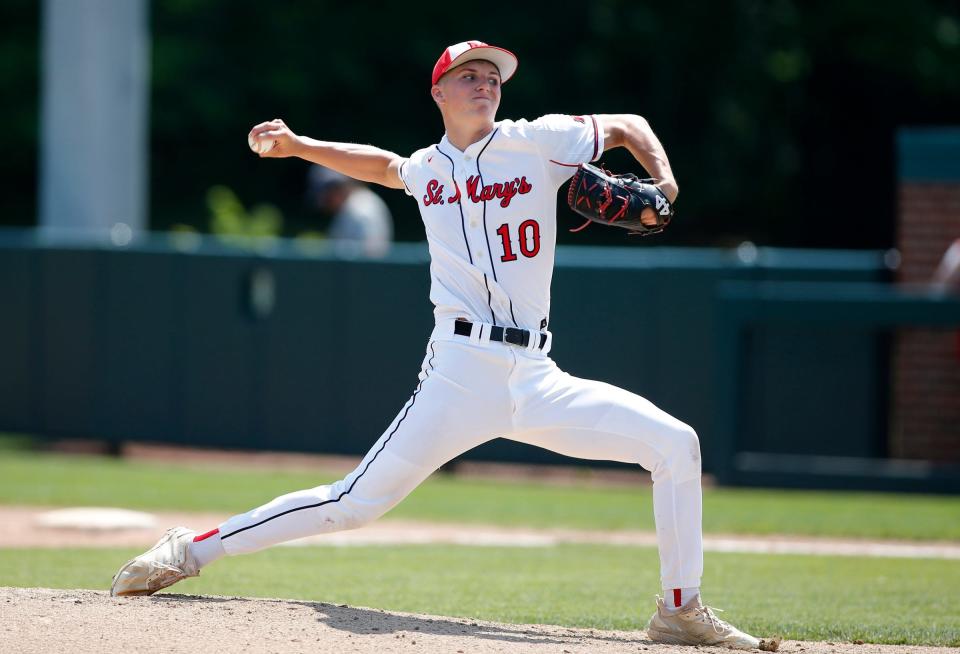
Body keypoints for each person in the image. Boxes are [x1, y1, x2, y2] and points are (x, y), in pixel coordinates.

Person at [111, 40, 778, 651]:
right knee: (352, 503)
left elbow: (630, 126)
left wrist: (664, 184)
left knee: (676, 444)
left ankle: (679, 610)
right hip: (458, 373)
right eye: (470, 75)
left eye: (493, 76)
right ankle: (190, 550)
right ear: (440, 93)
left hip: (536, 375)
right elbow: (382, 165)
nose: (485, 83)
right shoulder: (429, 169)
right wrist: (300, 145)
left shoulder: (539, 140)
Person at [307, 164, 393, 257]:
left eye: (326, 195)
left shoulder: (361, 207)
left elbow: (371, 254)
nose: (323, 201)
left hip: (365, 270)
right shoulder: (351, 205)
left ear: (337, 189)